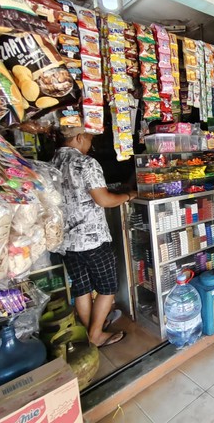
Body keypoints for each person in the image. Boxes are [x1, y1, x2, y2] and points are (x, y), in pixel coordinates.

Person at [52, 126, 137, 348]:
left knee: (82, 288)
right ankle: (96, 334)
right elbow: (104, 200)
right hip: (92, 239)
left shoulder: (53, 162)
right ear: (79, 138)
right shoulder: (86, 162)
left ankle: (91, 329)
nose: (91, 145)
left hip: (67, 240)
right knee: (107, 287)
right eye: (89, 139)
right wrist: (128, 195)